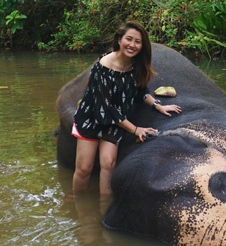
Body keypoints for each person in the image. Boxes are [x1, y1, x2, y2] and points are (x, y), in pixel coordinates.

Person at [71, 21, 181, 195]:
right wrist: (135, 129)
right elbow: (105, 107)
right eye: (129, 39)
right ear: (119, 39)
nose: (132, 45)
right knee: (84, 168)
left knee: (108, 164)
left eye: (138, 42)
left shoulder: (135, 65)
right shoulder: (103, 66)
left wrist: (158, 106)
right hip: (92, 118)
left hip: (115, 122)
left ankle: (104, 208)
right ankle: (76, 203)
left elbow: (140, 91)